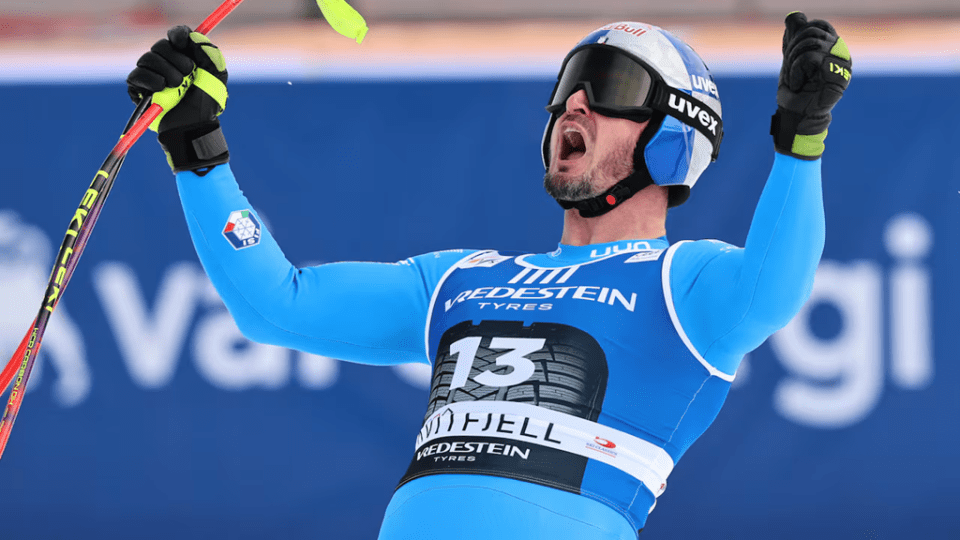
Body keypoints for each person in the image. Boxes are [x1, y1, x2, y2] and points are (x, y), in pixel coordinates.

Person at [126, 13, 851, 539]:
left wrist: (802, 137)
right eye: (570, 84)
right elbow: (275, 305)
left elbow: (773, 287)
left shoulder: (682, 281)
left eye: (610, 85)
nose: (574, 102)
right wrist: (196, 145)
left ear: (671, 137)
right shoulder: (460, 280)